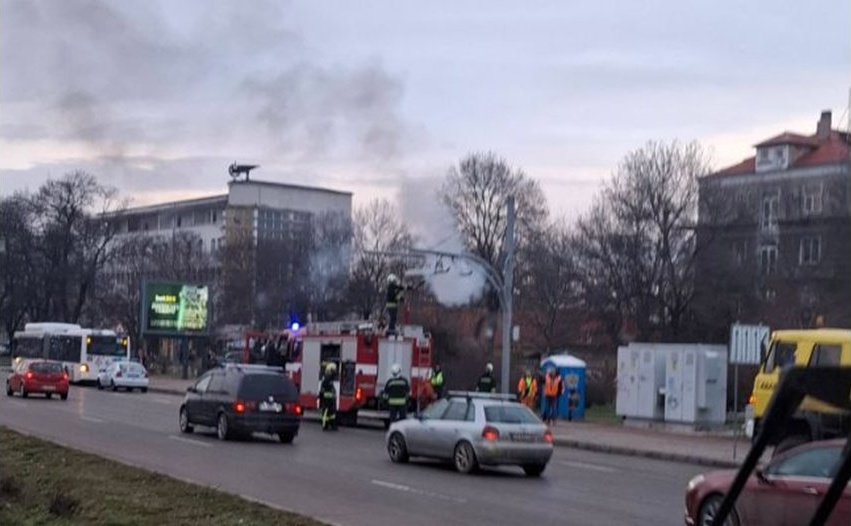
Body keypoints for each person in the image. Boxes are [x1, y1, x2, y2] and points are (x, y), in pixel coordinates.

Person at [319, 363, 338, 431]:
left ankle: (332, 425)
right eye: (333, 371)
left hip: (330, 399)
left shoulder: (329, 378)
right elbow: (323, 389)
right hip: (327, 399)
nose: (334, 372)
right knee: (326, 413)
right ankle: (325, 425)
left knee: (332, 413)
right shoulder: (327, 379)